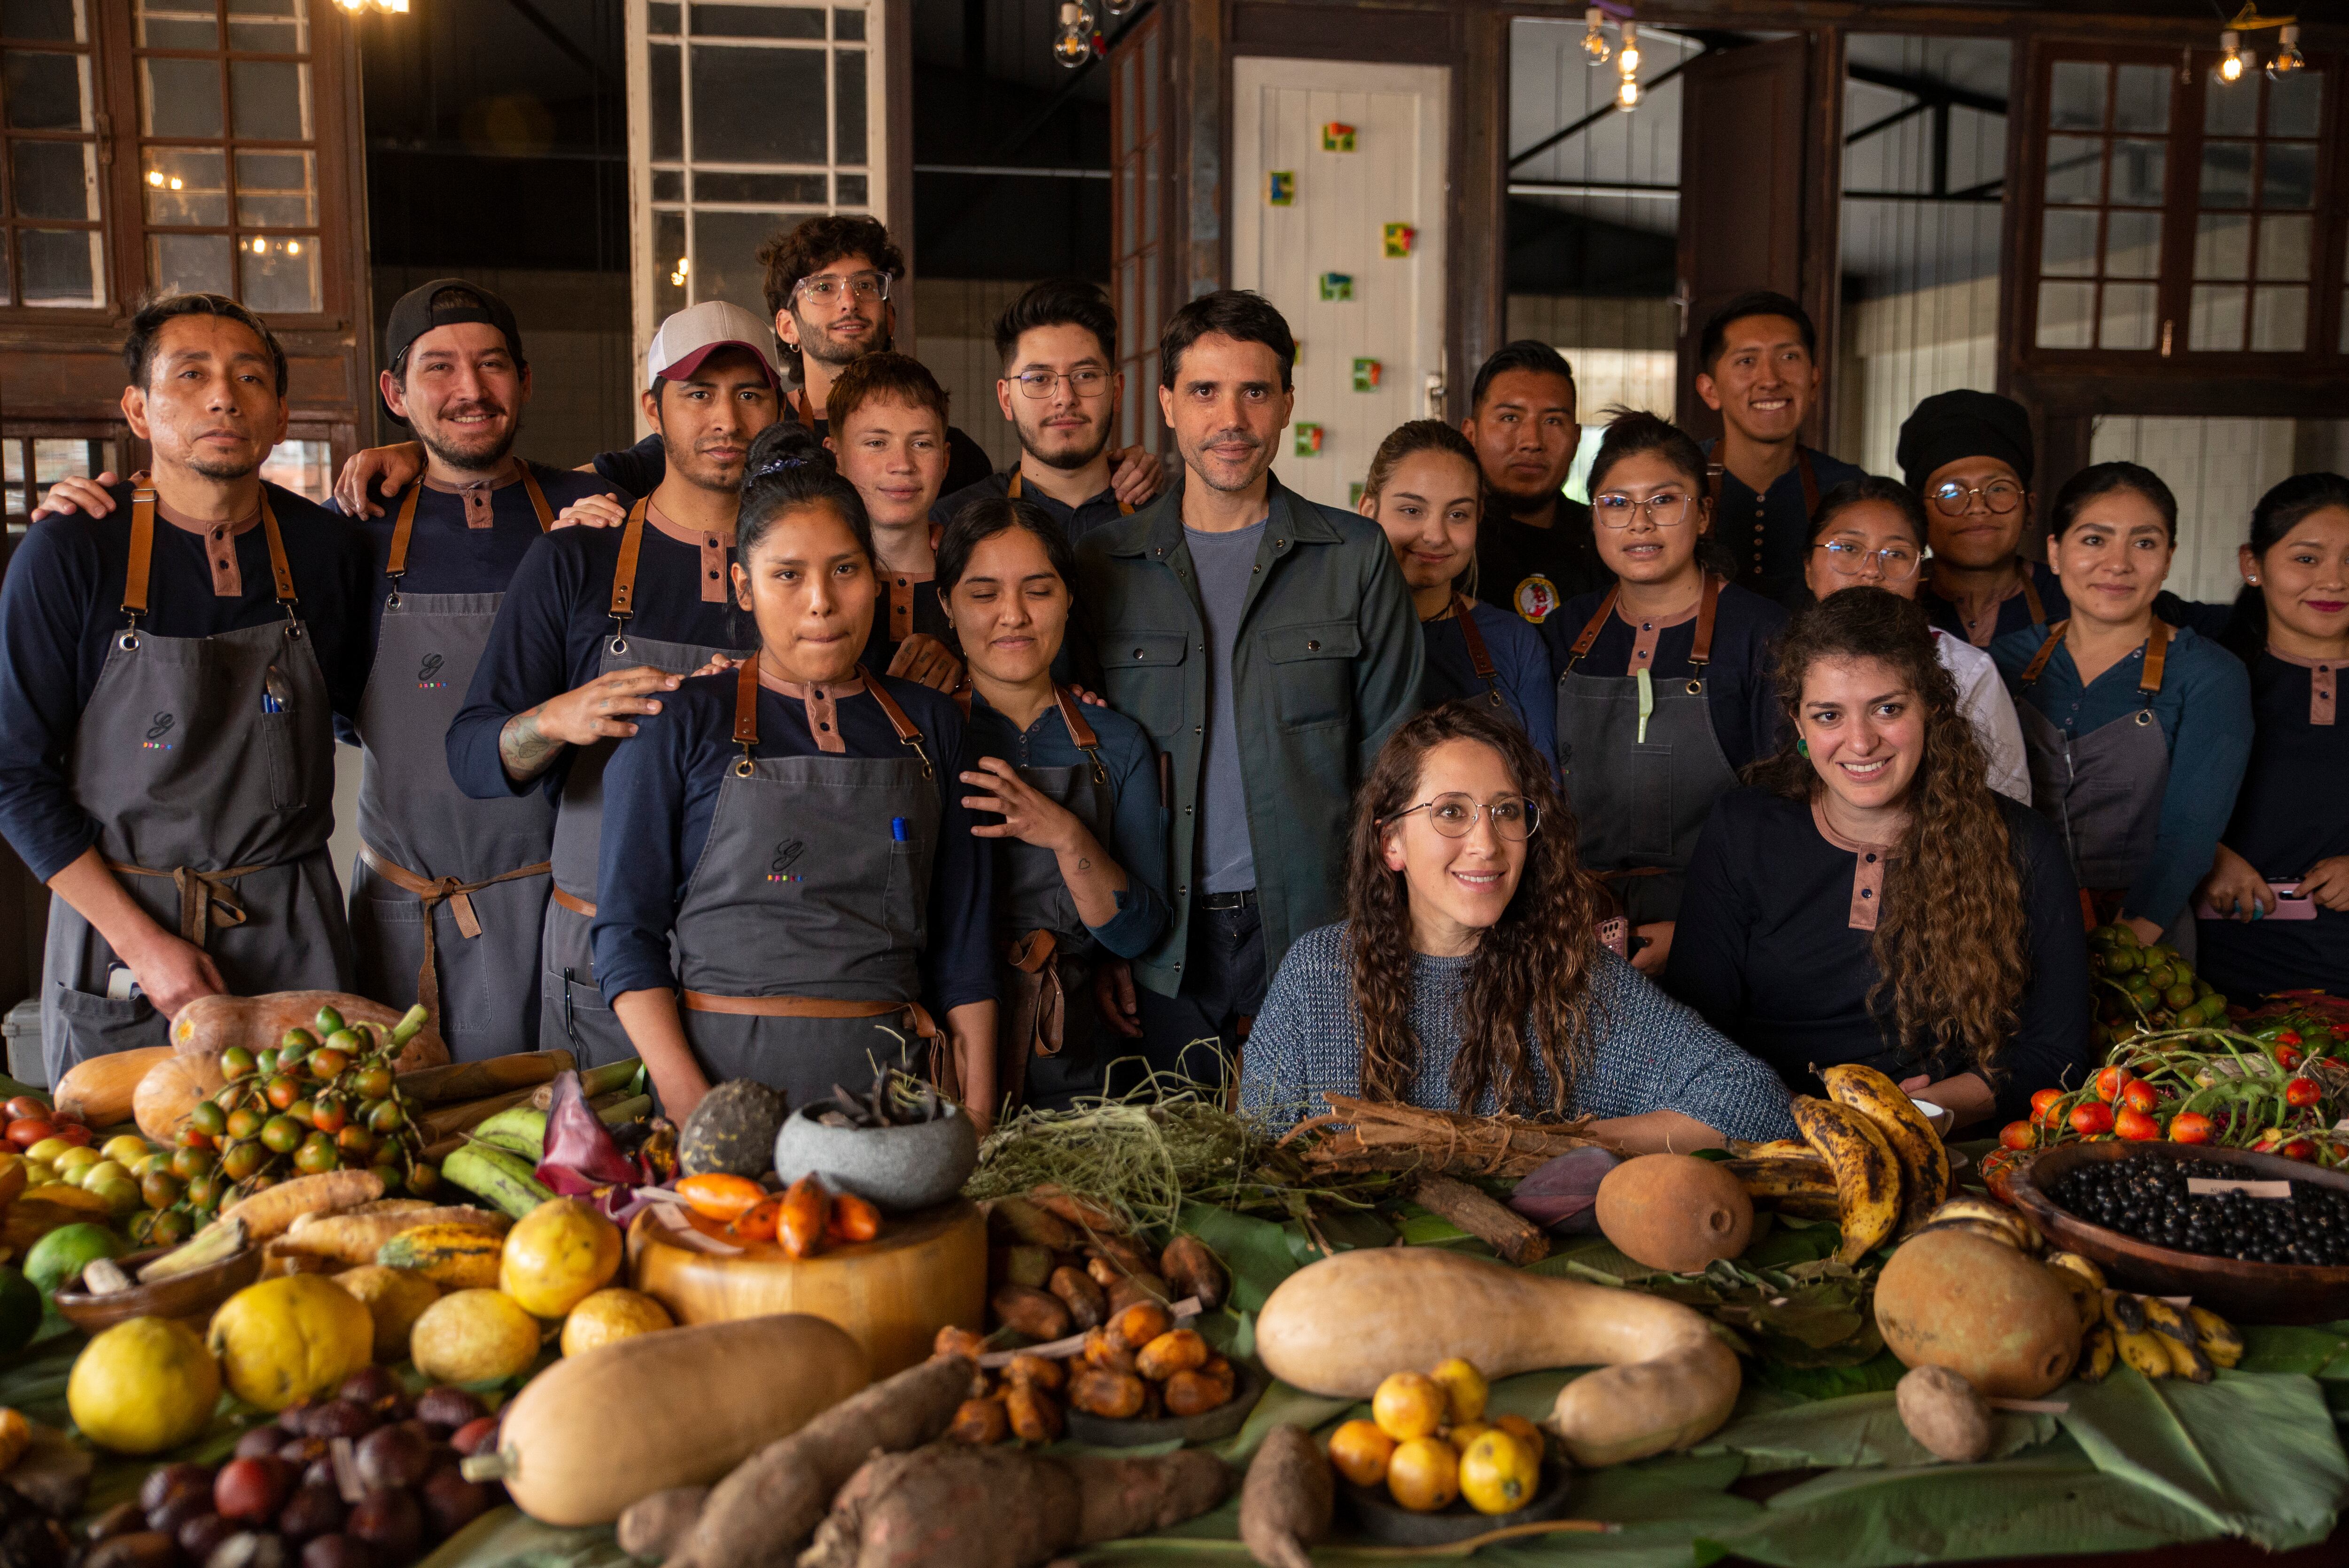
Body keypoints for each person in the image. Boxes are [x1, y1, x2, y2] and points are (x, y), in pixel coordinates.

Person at [0, 294, 371, 1079]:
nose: (223, 398)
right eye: (192, 374)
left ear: (279, 415)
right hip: (121, 935)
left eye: (249, 378)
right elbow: (14, 778)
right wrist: (146, 945)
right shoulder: (72, 551)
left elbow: (363, 714)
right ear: (138, 408)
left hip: (290, 925)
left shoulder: (328, 549)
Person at [592, 423, 993, 1122]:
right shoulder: (682, 722)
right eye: (788, 575)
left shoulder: (933, 727)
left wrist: (980, 1118)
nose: (820, 602)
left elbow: (967, 942)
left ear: (878, 577)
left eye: (844, 569)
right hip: (721, 1098)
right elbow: (627, 936)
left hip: (895, 1108)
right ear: (744, 587)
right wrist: (696, 1111)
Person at [1074, 289, 1422, 1085]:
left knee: (1316, 1173)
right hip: (1161, 936)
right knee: (1183, 1183)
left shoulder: (1353, 556)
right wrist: (1112, 939)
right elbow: (1087, 775)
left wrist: (1378, 936)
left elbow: (1396, 769)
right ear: (1167, 403)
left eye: (1255, 391)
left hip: (1316, 932)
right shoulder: (1104, 566)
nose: (1231, 418)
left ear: (1288, 404)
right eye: (1204, 391)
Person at [447, 302, 779, 1068]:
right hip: (599, 957)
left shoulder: (806, 570)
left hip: (757, 961)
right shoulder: (579, 557)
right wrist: (555, 719)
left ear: (780, 406)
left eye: (750, 393)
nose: (726, 417)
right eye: (698, 394)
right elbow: (470, 752)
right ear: (652, 407)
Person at [1239, 703, 1796, 1145]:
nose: (1486, 844)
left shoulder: (1570, 977)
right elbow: (1256, 1152)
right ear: (1392, 843)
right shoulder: (1317, 975)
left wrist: (1540, 1146)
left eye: (1506, 811)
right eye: (1451, 812)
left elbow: (1753, 1103)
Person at [1669, 590, 2092, 1128]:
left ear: (1931, 708)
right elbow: (1691, 1032)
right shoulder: (1741, 827)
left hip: (1946, 1140)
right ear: (1798, 724)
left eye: (1887, 709)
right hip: (1760, 1131)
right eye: (1828, 715)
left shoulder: (2021, 842)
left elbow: (2055, 1056)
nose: (1860, 741)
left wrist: (1918, 1112)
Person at [938, 497, 1169, 1109]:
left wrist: (1069, 836)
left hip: (1077, 1064)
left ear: (1069, 598)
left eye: (1038, 590)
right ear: (947, 606)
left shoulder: (1115, 742)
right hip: (944, 1058)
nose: (1012, 616)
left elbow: (1140, 932)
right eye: (983, 593)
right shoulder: (922, 733)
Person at [1543, 411, 1785, 975]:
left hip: (1720, 927)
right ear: (1594, 516)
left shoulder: (1763, 634)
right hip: (1571, 926)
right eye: (1617, 502)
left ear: (1701, 513)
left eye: (1663, 500)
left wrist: (1699, 931)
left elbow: (1785, 817)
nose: (1640, 523)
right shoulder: (1562, 635)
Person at [1991, 462, 2253, 951]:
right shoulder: (1999, 662)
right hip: (2010, 927)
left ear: (2168, 557)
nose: (2118, 563)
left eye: (2144, 542)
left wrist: (2128, 941)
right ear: (2054, 550)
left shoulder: (2209, 675)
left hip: (2145, 938)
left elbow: (2190, 832)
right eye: (2093, 539)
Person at [2196, 473, 2349, 996]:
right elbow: (2135, 797)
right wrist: (2205, 853)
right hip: (2216, 964)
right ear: (2251, 564)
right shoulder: (2205, 671)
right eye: (2306, 558)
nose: (2333, 581)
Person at [1801, 476, 2029, 803]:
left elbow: (2007, 801)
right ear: (1808, 566)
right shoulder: (1776, 657)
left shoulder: (1968, 670)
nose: (1871, 570)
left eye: (1896, 553)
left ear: (1920, 570)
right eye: (1848, 548)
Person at [1357, 420, 1557, 770]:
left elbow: (1544, 793)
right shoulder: (1329, 634)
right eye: (1411, 510)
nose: (1435, 535)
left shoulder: (1515, 642)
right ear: (1367, 511)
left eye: (1457, 515)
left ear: (1478, 517)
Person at [932, 279, 1138, 545]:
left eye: (1086, 375)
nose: (1065, 398)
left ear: (1117, 392)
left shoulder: (1167, 520)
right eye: (1039, 378)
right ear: (1006, 399)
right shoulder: (951, 526)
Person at [1692, 292, 1865, 604]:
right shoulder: (1678, 479)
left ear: (1814, 381)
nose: (1770, 380)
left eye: (1789, 357)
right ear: (1710, 389)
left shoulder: (1852, 490)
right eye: (1747, 361)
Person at [824, 352, 963, 691]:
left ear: (944, 461)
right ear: (836, 457)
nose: (902, 464)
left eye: (921, 443)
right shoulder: (814, 590)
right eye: (876, 443)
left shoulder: (977, 583)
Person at [1902, 390, 2068, 648]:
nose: (1977, 508)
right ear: (1918, 515)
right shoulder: (1897, 598)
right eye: (1951, 492)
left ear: (2030, 509)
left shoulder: (2070, 597)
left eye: (1999, 489)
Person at [1461, 341, 1602, 627]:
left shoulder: (1606, 538)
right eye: (1510, 418)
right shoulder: (1445, 540)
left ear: (1576, 440)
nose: (1532, 442)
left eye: (1552, 421)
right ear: (1471, 434)